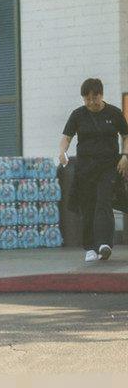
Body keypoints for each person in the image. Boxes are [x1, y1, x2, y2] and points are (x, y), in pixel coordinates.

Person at [59, 78, 128, 262]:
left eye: (94, 98)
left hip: (108, 166)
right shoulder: (78, 115)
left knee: (104, 200)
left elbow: (126, 135)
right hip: (85, 167)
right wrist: (62, 152)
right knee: (88, 205)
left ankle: (104, 243)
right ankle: (90, 247)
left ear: (101, 95)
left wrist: (125, 155)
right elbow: (66, 137)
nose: (91, 102)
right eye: (87, 99)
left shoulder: (114, 113)